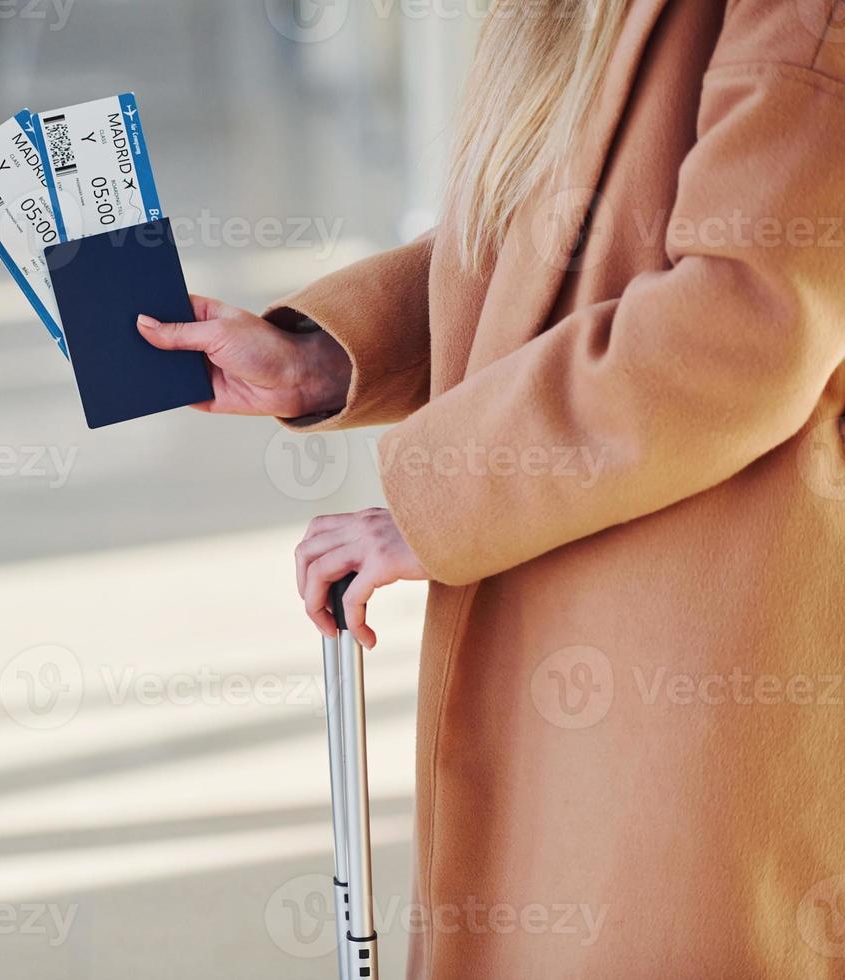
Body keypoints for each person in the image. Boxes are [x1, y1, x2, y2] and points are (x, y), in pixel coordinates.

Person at [140, 0, 845, 975]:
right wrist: (318, 358)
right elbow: (547, 242)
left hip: (695, 639)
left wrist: (440, 502)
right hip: (575, 589)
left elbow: (748, 315)